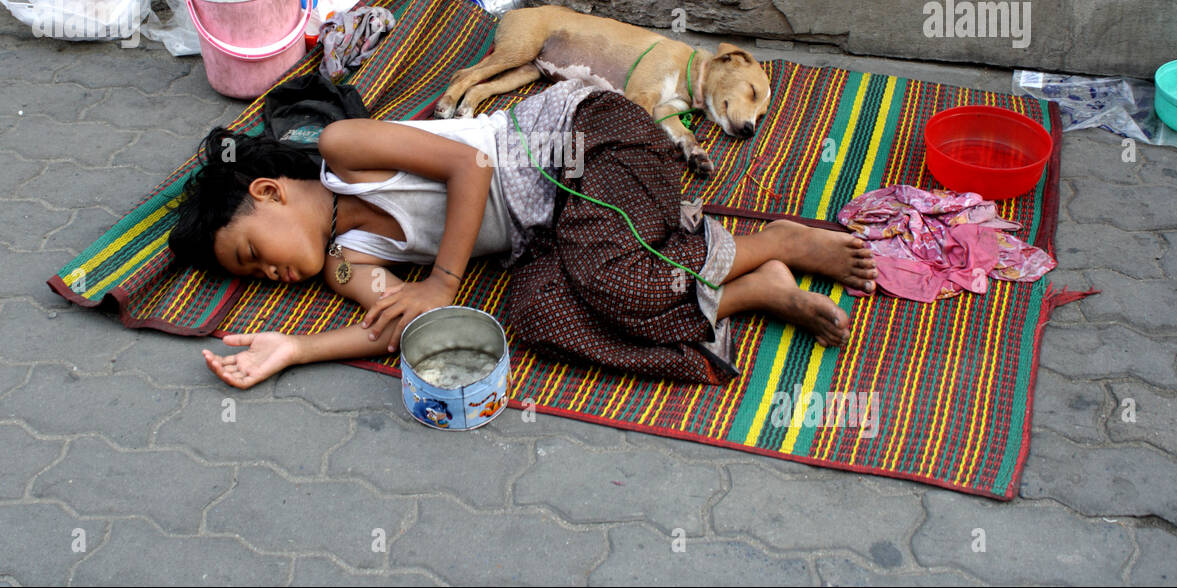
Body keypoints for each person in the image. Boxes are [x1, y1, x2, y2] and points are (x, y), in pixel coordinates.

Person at [167, 78, 876, 389]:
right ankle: (753, 291)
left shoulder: (347, 148)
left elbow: (470, 164)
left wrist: (440, 279)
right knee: (537, 318)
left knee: (605, 272)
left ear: (270, 191)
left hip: (584, 138)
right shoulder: (347, 263)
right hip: (555, 231)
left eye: (253, 253)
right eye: (254, 279)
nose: (269, 275)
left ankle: (779, 242)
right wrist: (296, 349)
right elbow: (406, 327)